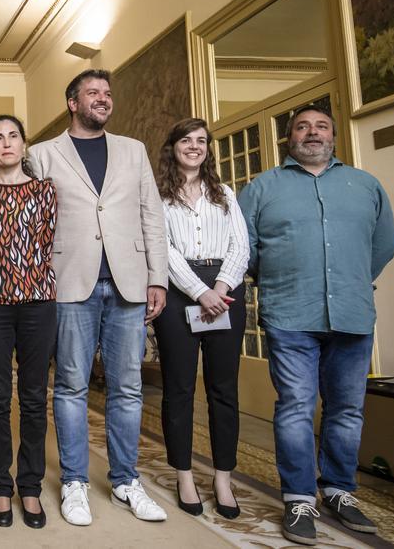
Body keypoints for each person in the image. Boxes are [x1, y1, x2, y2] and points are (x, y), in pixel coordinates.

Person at [238, 105, 394, 545]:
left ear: (333, 136)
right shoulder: (263, 188)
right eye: (302, 127)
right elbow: (243, 249)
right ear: (289, 139)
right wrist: (277, 279)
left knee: (347, 409)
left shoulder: (365, 185)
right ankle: (299, 499)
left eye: (321, 126)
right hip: (290, 313)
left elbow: (383, 245)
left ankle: (339, 491)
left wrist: (352, 280)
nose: (312, 133)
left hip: (352, 313)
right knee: (295, 406)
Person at [29, 69, 168, 526]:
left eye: (107, 94)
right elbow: (33, 224)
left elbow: (152, 215)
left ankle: (126, 479)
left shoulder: (134, 151)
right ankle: (74, 482)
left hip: (129, 283)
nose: (103, 99)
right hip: (70, 283)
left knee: (127, 387)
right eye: (93, 93)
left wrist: (158, 278)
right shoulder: (42, 154)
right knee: (70, 385)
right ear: (73, 103)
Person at [153, 118, 248, 518]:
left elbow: (240, 245)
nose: (194, 147)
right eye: (186, 140)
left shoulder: (223, 192)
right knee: (178, 389)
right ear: (172, 146)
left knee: (223, 390)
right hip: (179, 293)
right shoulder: (159, 196)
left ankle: (223, 478)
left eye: (201, 141)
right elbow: (163, 248)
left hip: (226, 292)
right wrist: (200, 292)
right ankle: (185, 475)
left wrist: (221, 289)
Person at [0, 115, 57, 530]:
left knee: (35, 397)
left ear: (24, 145)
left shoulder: (45, 192)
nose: (5, 143)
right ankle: (1, 485)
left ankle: (31, 486)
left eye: (13, 136)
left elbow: (51, 243)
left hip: (38, 303)